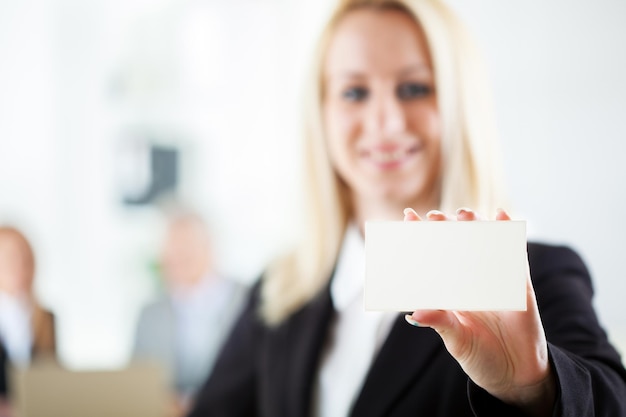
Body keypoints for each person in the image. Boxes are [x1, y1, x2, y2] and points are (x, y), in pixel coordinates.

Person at [188, 0, 626, 416]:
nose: (387, 122)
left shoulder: (531, 274)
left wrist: (535, 389)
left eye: (415, 88)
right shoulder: (282, 289)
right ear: (320, 113)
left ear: (459, 107)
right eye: (355, 92)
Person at [133, 210, 248, 415]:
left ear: (209, 248)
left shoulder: (246, 301)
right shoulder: (150, 314)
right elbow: (135, 382)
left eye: (185, 250)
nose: (176, 258)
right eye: (170, 251)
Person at [0, 226, 56, 411]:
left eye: (24, 257)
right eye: (10, 258)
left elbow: (54, 379)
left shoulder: (46, 319)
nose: (19, 265)